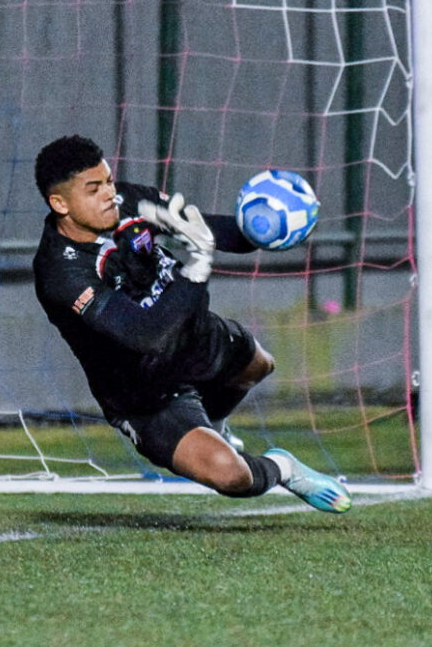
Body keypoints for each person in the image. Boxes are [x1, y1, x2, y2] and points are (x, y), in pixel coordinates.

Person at [32, 135, 351, 512]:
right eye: (94, 189)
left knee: (258, 365)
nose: (110, 194)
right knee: (230, 476)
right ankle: (284, 468)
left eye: (109, 181)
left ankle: (214, 425)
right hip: (142, 389)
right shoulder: (60, 272)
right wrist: (196, 269)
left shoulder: (131, 202)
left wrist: (267, 227)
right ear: (60, 203)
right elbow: (143, 335)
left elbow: (211, 231)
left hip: (194, 337)